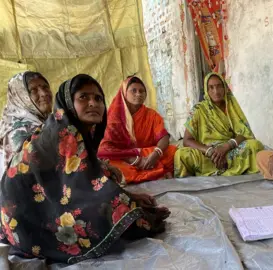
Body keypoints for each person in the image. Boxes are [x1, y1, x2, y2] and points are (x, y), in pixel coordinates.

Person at [0, 74, 170, 263]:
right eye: (84, 97)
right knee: (119, 214)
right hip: (25, 218)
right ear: (68, 102)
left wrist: (127, 196)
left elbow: (84, 174)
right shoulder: (66, 131)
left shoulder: (69, 126)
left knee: (112, 193)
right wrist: (129, 202)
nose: (93, 103)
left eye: (98, 98)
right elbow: (84, 184)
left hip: (33, 206)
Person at [174, 72, 264, 177]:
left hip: (229, 152)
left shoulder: (231, 107)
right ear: (206, 91)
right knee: (181, 155)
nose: (216, 91)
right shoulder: (198, 110)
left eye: (219, 86)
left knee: (255, 145)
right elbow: (187, 140)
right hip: (207, 154)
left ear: (224, 87)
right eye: (211, 87)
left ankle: (220, 170)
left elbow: (244, 134)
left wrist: (226, 147)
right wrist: (210, 151)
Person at [98, 76, 177, 184]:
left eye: (142, 91)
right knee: (108, 164)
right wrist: (135, 160)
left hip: (147, 155)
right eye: (133, 91)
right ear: (124, 92)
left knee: (172, 151)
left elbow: (164, 137)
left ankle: (153, 172)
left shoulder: (152, 115)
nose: (138, 94)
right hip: (123, 158)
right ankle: (156, 173)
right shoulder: (114, 117)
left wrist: (156, 154)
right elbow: (105, 147)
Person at [0, 72, 53, 174]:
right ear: (20, 96)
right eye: (33, 90)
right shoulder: (20, 132)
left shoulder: (46, 122)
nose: (44, 93)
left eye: (45, 87)